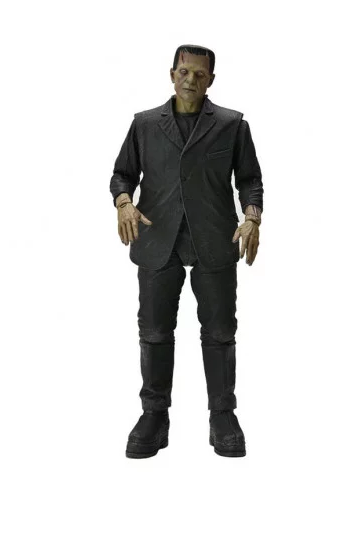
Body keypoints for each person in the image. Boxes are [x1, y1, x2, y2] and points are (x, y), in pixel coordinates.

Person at [109, 44, 263, 458]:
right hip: (157, 237)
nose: (190, 79)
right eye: (184, 71)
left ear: (211, 80)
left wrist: (252, 217)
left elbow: (249, 180)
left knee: (220, 331)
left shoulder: (232, 125)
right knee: (154, 331)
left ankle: (222, 415)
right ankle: (153, 415)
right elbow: (122, 174)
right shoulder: (144, 124)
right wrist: (124, 203)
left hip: (214, 238)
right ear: (171, 74)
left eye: (199, 73)